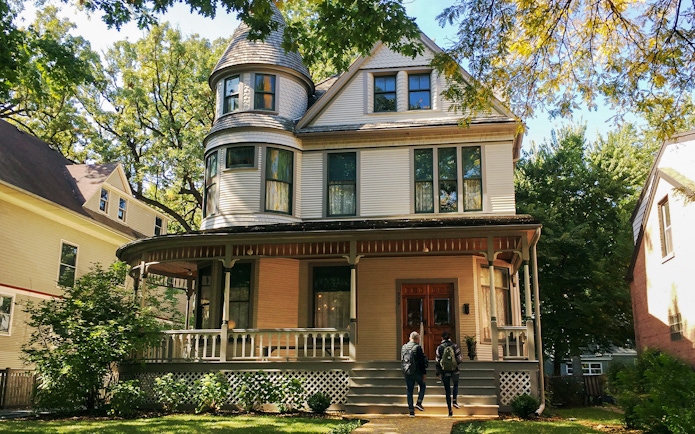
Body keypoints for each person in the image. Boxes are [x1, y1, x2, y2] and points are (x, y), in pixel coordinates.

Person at [435, 331, 464, 417]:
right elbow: (459, 359)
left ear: (442, 338)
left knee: (447, 390)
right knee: (455, 385)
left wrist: (438, 372)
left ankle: (450, 411)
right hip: (455, 370)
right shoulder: (454, 346)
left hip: (444, 372)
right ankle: (455, 400)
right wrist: (455, 365)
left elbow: (437, 360)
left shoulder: (439, 347)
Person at [401, 331, 428, 417]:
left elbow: (402, 359)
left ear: (410, 338)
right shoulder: (417, 347)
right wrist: (424, 373)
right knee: (422, 385)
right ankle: (419, 402)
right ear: (417, 339)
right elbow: (421, 362)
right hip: (416, 372)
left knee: (409, 390)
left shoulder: (404, 347)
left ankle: (411, 411)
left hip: (407, 371)